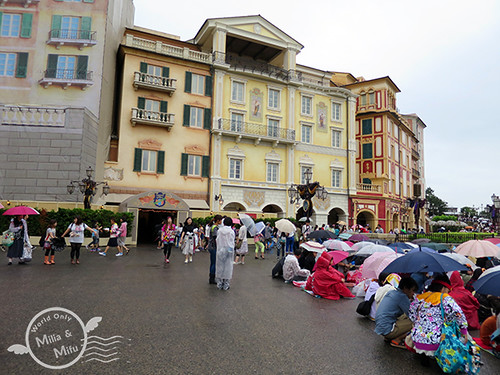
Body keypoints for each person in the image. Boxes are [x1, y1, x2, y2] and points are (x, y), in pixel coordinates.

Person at [408, 274, 468, 363]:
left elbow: (412, 315)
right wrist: (464, 333)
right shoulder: (445, 298)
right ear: (443, 288)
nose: (448, 292)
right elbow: (459, 315)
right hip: (436, 341)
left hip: (417, 339)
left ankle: (424, 355)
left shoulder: (420, 297)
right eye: (448, 290)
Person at [375, 276, 418, 348]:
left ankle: (389, 337)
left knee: (404, 317)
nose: (413, 293)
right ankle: (397, 339)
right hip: (388, 329)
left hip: (381, 327)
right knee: (416, 322)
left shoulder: (392, 292)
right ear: (405, 288)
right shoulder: (402, 297)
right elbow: (413, 315)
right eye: (412, 290)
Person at [215, 217, 236, 290]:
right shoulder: (231, 231)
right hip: (229, 250)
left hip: (220, 249)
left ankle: (219, 283)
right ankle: (226, 284)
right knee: (228, 266)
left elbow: (217, 239)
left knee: (220, 266)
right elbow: (232, 241)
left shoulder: (220, 230)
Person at [207, 215, 222, 283]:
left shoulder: (213, 227)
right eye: (221, 220)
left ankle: (211, 277)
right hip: (213, 247)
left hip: (211, 246)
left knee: (212, 262)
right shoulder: (214, 228)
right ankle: (212, 278)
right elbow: (216, 238)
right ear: (218, 220)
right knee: (214, 263)